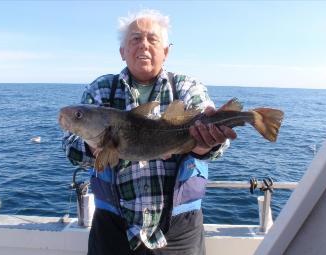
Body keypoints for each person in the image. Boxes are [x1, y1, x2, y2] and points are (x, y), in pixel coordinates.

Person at [62, 9, 236, 255]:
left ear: (166, 51)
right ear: (122, 52)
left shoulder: (187, 87)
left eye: (152, 39)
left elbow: (217, 149)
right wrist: (98, 143)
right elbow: (70, 148)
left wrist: (206, 144)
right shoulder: (101, 90)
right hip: (113, 231)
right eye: (135, 39)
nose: (143, 45)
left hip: (179, 231)